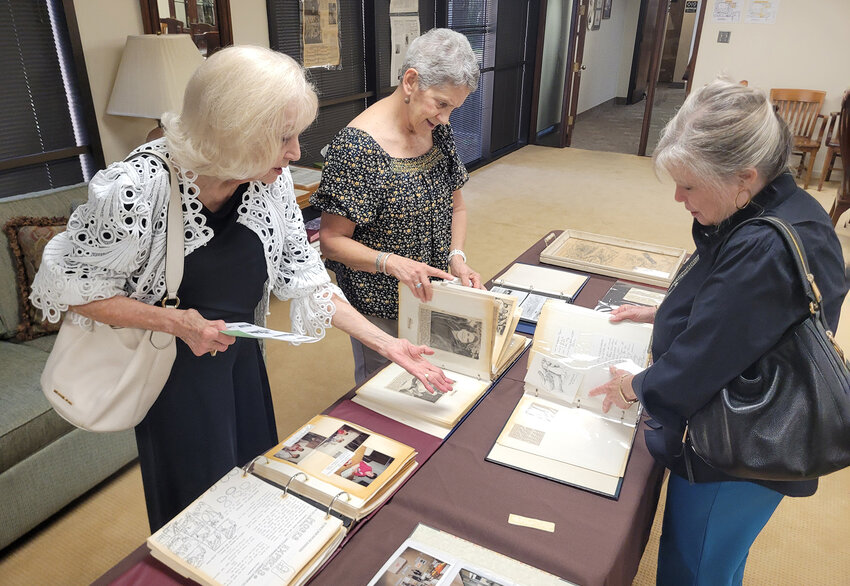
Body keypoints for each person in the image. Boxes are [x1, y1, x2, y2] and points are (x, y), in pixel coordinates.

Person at [30, 46, 452, 532]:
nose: (295, 153)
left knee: (253, 482)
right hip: (172, 372)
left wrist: (387, 343)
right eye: (283, 138)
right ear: (233, 135)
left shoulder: (268, 181)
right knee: (196, 507)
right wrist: (174, 320)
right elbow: (74, 288)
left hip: (242, 360)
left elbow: (307, 280)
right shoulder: (137, 187)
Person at [588, 78, 847, 585]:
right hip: (746, 428)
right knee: (717, 558)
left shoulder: (765, 247)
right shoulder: (773, 207)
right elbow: (740, 314)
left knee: (698, 562)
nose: (679, 199)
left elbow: (706, 358)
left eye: (689, 185)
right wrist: (666, 314)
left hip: (741, 446)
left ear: (743, 177)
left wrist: (635, 385)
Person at [311, 28, 484, 384]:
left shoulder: (436, 129)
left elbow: (457, 208)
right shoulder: (358, 147)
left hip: (432, 294)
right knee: (388, 393)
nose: (446, 118)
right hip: (380, 303)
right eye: (441, 103)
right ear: (410, 82)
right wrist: (391, 263)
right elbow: (330, 241)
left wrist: (457, 257)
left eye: (454, 107)